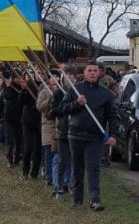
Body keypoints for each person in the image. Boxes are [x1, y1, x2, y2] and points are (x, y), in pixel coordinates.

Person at [56, 61, 120, 211]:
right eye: (89, 70)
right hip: (75, 135)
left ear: (99, 73)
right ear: (84, 73)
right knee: (77, 169)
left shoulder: (105, 93)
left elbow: (112, 115)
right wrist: (77, 103)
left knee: (93, 168)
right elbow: (60, 110)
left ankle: (95, 200)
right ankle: (77, 200)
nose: (92, 73)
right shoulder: (75, 90)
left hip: (95, 137)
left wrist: (113, 134)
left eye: (95, 70)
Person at [51, 68, 76, 197]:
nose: (69, 77)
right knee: (62, 160)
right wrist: (65, 108)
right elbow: (53, 111)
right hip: (63, 130)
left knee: (75, 161)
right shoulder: (58, 93)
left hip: (76, 131)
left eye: (71, 75)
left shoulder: (78, 91)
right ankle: (59, 186)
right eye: (67, 75)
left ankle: (72, 186)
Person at [38, 75, 58, 187]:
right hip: (47, 125)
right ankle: (48, 176)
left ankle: (56, 178)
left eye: (57, 77)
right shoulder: (44, 92)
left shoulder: (62, 90)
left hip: (59, 126)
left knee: (57, 153)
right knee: (48, 153)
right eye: (52, 77)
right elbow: (39, 106)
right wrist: (50, 98)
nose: (55, 79)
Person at [20, 76, 42, 180]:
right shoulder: (29, 84)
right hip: (28, 120)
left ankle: (34, 173)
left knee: (38, 149)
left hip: (41, 120)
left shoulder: (47, 84)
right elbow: (21, 102)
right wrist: (24, 89)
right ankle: (25, 171)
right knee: (28, 146)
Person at [2, 73, 24, 166]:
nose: (18, 79)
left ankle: (17, 158)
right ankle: (9, 158)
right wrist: (8, 86)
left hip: (20, 118)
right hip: (9, 118)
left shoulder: (23, 88)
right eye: (16, 77)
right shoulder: (8, 88)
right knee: (10, 139)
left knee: (19, 140)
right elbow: (7, 96)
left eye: (19, 77)